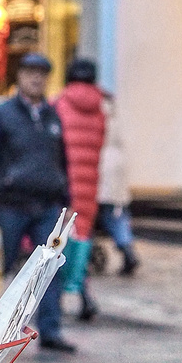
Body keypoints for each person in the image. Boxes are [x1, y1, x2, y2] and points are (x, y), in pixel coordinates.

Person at [0, 54, 75, 352]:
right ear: (20, 77)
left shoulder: (53, 116)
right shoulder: (2, 114)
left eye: (42, 73)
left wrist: (66, 200)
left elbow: (62, 160)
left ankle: (50, 331)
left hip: (47, 204)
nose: (36, 79)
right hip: (10, 204)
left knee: (50, 268)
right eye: (30, 73)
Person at [53, 59, 106, 322]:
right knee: (81, 236)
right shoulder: (100, 108)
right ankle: (83, 296)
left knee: (58, 240)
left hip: (64, 181)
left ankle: (57, 299)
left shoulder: (60, 104)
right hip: (90, 182)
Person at [95, 93, 141, 276]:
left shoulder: (97, 116)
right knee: (118, 215)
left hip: (101, 168)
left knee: (100, 217)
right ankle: (127, 248)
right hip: (118, 171)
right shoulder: (117, 117)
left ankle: (87, 256)